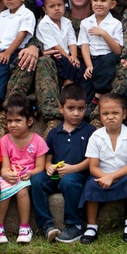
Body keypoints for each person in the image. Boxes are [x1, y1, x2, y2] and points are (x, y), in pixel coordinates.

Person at [31, 84, 94, 243]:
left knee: (69, 180)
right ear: (61, 108)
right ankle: (47, 225)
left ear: (86, 108)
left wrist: (73, 168)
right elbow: (48, 157)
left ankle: (75, 225)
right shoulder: (54, 133)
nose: (76, 113)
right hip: (57, 176)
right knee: (37, 180)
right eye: (71, 108)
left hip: (79, 175)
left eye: (80, 109)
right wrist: (48, 167)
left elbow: (93, 160)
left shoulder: (90, 131)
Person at [80, 93, 127, 244]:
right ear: (100, 116)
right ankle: (92, 225)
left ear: (124, 114)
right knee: (91, 185)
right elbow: (93, 166)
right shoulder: (96, 136)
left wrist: (112, 177)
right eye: (105, 114)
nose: (110, 117)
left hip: (123, 176)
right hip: (101, 176)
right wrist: (104, 177)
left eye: (115, 113)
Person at [0, 95, 49, 244]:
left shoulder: (38, 141)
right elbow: (4, 167)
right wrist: (6, 174)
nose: (13, 125)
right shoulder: (4, 140)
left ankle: (24, 227)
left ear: (29, 121)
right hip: (10, 177)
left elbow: (40, 167)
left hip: (27, 178)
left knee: (22, 190)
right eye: (10, 121)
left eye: (18, 120)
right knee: (4, 187)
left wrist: (30, 173)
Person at [0, 0, 37, 106]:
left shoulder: (27, 14)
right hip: (0, 51)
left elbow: (21, 36)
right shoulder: (3, 15)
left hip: (16, 51)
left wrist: (7, 53)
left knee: (2, 67)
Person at [79, 0, 123, 104]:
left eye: (103, 0)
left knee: (109, 60)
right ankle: (87, 107)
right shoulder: (85, 23)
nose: (98, 3)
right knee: (85, 85)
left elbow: (118, 50)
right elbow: (84, 46)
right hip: (92, 60)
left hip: (107, 59)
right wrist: (89, 66)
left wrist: (104, 34)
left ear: (112, 4)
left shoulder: (116, 24)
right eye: (95, 0)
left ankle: (99, 93)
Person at [36, 0, 84, 88]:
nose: (57, 8)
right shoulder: (44, 24)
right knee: (72, 67)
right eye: (52, 6)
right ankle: (66, 86)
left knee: (81, 66)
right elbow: (54, 45)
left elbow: (72, 41)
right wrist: (68, 58)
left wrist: (74, 56)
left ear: (64, 5)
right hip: (55, 55)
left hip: (67, 55)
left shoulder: (67, 22)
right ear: (45, 10)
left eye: (59, 5)